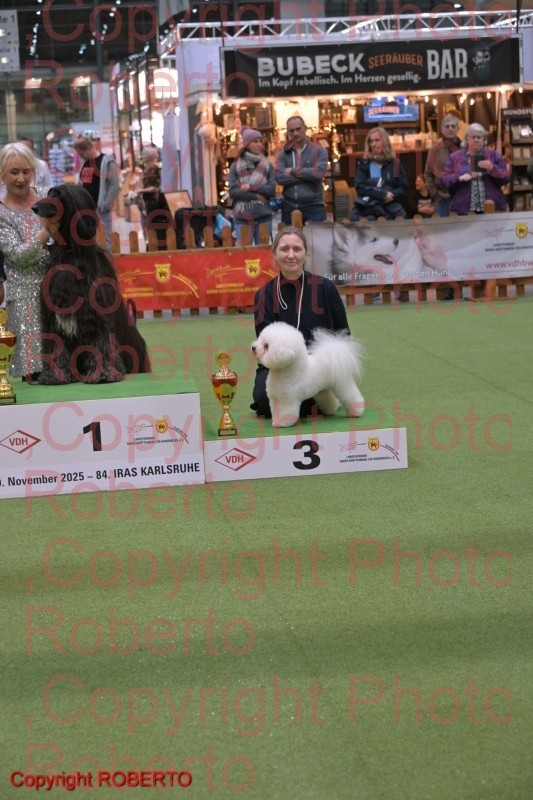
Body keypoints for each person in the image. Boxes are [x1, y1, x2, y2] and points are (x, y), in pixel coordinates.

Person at [251, 226, 350, 418]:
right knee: (264, 402)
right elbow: (265, 348)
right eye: (284, 249)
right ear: (275, 254)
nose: (291, 255)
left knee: (294, 397)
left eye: (297, 249)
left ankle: (311, 398)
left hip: (320, 368)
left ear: (306, 254)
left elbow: (343, 334)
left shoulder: (326, 288)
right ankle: (312, 401)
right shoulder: (264, 295)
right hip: (278, 366)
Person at [0, 142, 50, 380]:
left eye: (26, 171)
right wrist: (48, 231)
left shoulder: (49, 196)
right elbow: (18, 256)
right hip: (24, 298)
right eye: (14, 172)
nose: (21, 178)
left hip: (60, 292)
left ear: (34, 171)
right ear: (2, 174)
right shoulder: (1, 213)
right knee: (34, 372)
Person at [440, 123, 510, 215]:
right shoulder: (455, 157)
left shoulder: (494, 156)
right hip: (463, 211)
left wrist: (492, 168)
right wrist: (459, 178)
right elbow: (444, 180)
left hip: (491, 209)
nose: (476, 140)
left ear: (484, 140)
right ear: (467, 139)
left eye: (479, 137)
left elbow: (506, 178)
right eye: (473, 137)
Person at [275, 116, 328, 225]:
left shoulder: (319, 151)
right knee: (289, 237)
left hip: (314, 207)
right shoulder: (283, 154)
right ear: (288, 132)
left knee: (317, 237)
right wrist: (307, 176)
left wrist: (293, 171)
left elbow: (318, 173)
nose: (295, 133)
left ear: (305, 128)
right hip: (289, 207)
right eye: (291, 130)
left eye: (298, 129)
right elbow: (280, 178)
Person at [349, 127, 408, 221]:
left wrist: (390, 195)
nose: (373, 144)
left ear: (385, 142)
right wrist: (381, 194)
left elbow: (403, 188)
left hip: (390, 206)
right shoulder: (364, 163)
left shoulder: (395, 163)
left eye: (377, 140)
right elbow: (359, 186)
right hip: (368, 207)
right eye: (371, 141)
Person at [228, 127, 275, 244]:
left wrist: (250, 187)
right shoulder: (235, 166)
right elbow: (233, 192)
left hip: (263, 217)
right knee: (244, 252)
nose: (259, 144)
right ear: (247, 144)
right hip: (242, 218)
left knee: (263, 252)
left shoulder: (268, 166)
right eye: (255, 141)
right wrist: (256, 196)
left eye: (260, 141)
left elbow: (271, 190)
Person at [73, 137, 120, 250]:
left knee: (105, 240)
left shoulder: (107, 162)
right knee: (90, 240)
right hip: (86, 208)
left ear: (89, 148)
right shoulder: (85, 163)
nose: (81, 157)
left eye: (82, 153)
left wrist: (106, 205)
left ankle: (107, 260)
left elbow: (114, 185)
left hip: (101, 209)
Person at [424, 114, 462, 217]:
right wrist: (436, 195)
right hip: (442, 199)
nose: (450, 129)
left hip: (462, 198)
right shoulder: (434, 150)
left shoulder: (465, 148)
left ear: (458, 129)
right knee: (443, 227)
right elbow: (428, 174)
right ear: (442, 129)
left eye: (453, 126)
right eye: (447, 126)